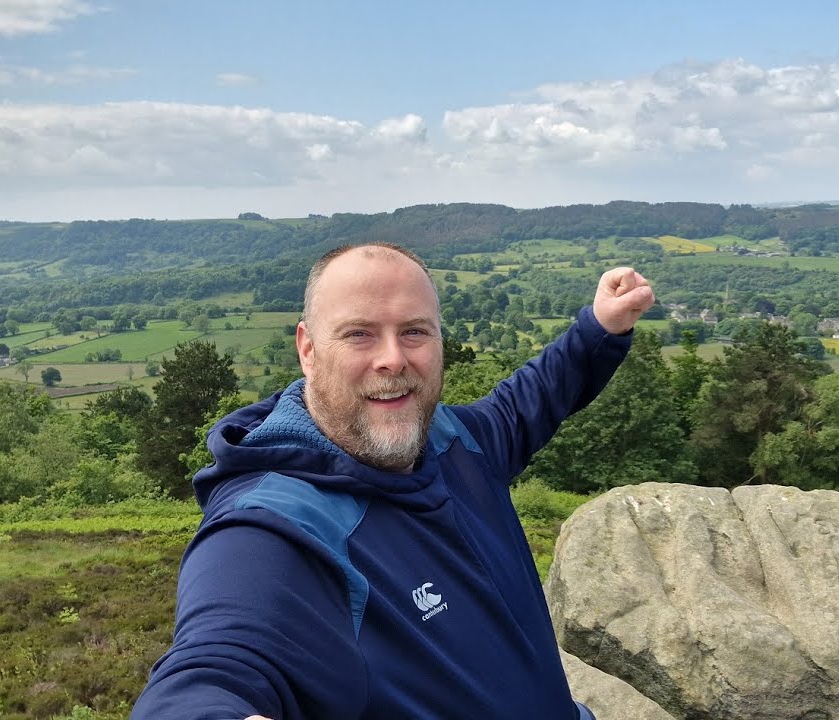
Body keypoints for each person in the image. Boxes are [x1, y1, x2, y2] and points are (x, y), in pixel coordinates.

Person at [130, 242, 655, 720]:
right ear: (308, 349)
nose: (392, 359)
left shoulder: (454, 440)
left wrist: (599, 328)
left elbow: (528, 402)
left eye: (414, 331)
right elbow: (205, 676)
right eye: (359, 334)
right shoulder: (275, 528)